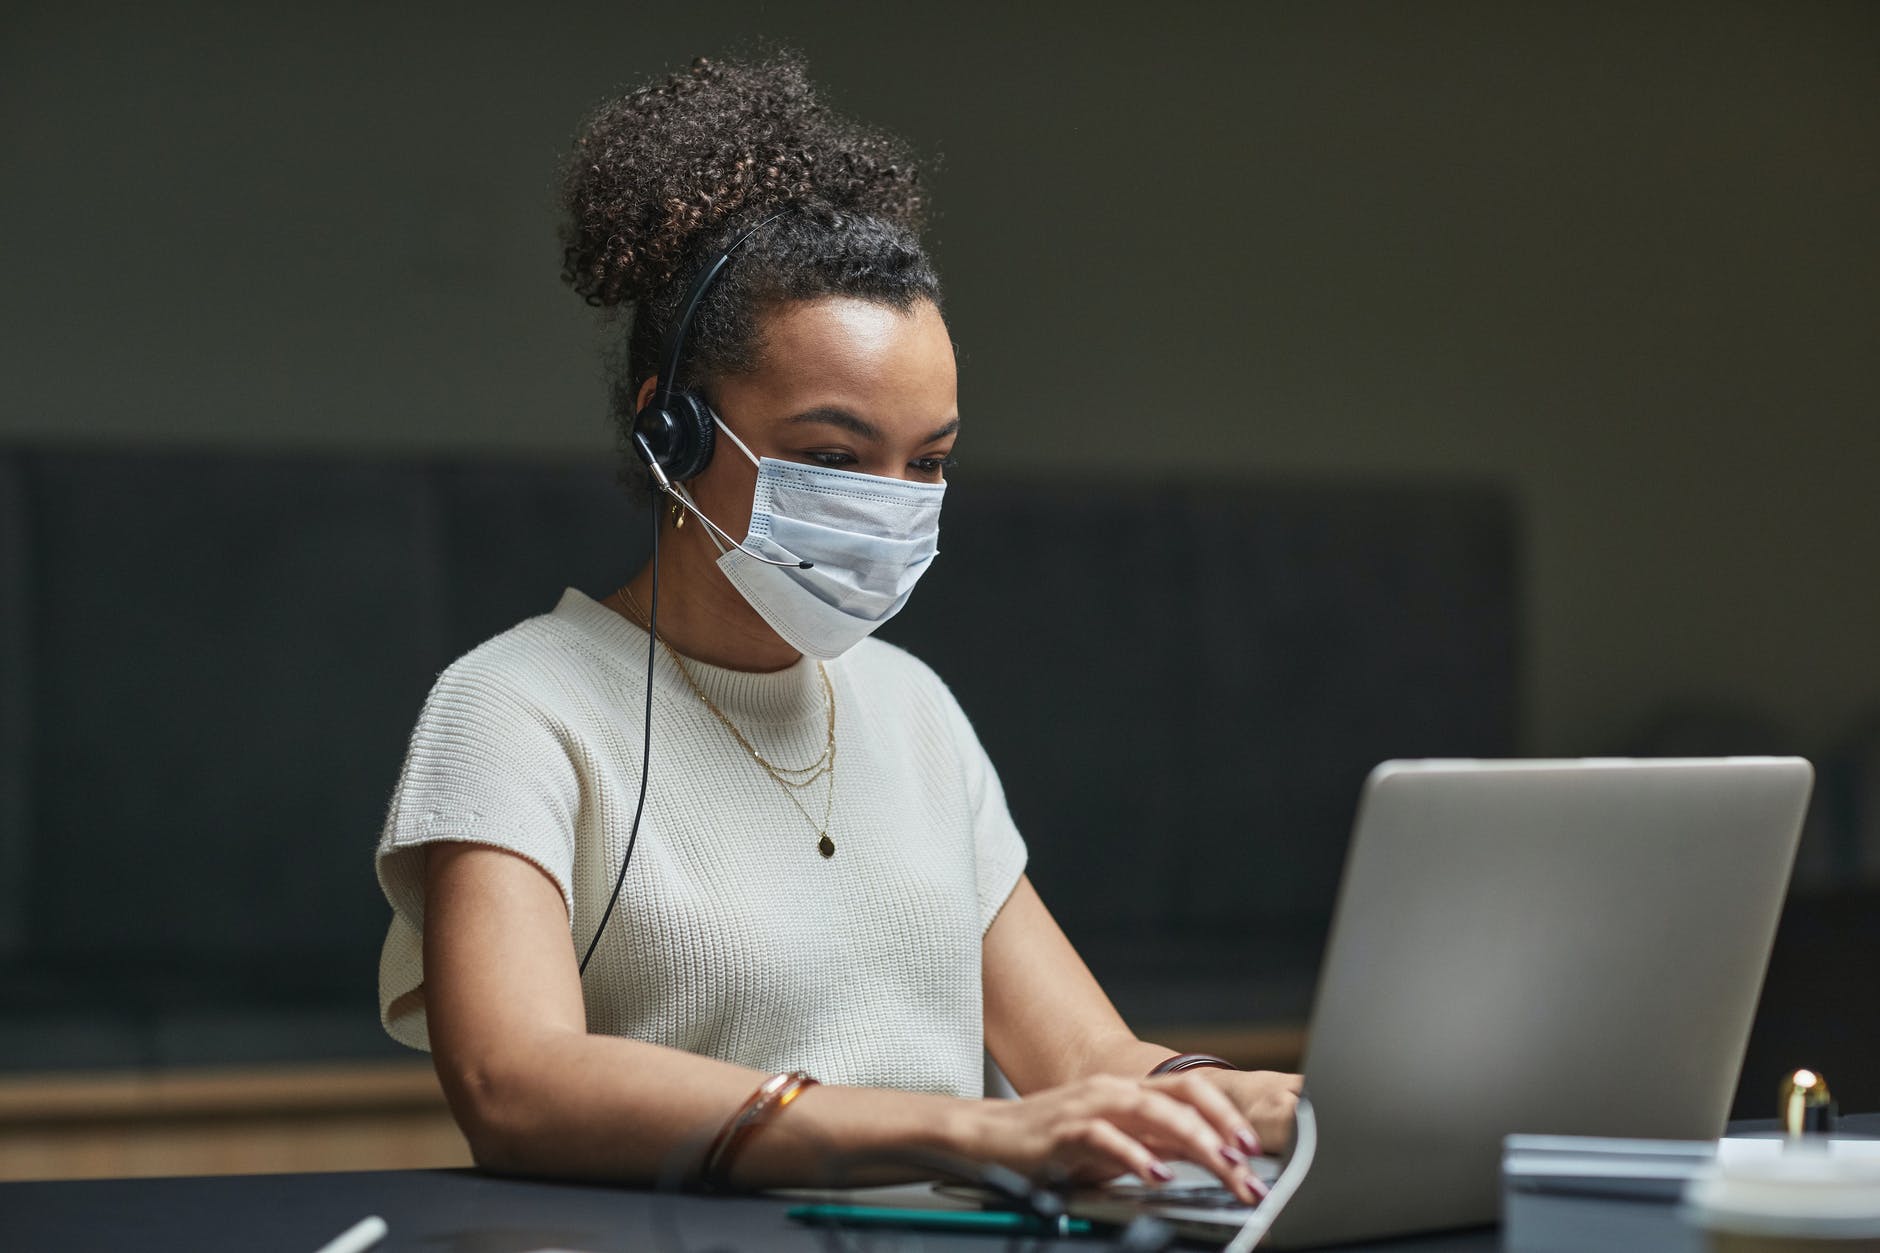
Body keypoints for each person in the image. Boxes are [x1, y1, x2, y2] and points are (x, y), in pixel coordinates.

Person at [374, 52, 1298, 1198]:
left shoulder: (910, 704)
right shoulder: (512, 706)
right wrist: (966, 1131)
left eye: (929, 462)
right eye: (831, 456)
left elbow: (1083, 1058)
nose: (891, 500)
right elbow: (517, 1081)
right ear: (672, 434)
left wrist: (1255, 1100)